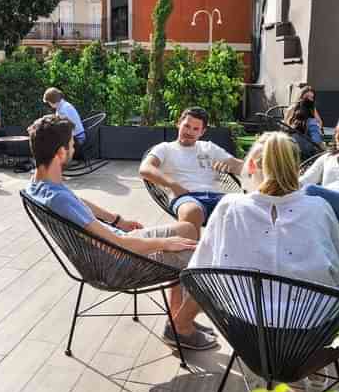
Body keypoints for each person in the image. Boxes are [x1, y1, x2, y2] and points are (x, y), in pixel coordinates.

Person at [27, 114, 218, 350]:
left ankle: (176, 318)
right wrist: (163, 244)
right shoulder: (58, 199)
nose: (75, 146)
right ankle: (181, 327)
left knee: (188, 229)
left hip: (116, 247)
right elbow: (116, 244)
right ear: (60, 153)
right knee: (206, 257)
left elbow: (78, 201)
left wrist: (117, 219)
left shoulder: (40, 184)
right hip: (116, 261)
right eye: (72, 143)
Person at [189, 131, 339, 294]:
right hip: (313, 319)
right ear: (296, 168)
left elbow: (198, 273)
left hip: (242, 318)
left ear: (252, 166)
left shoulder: (229, 206)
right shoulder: (319, 207)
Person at [139, 107, 243, 234]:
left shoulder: (209, 148)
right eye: (187, 126)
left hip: (216, 196)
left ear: (202, 132)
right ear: (178, 123)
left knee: (249, 209)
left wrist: (263, 165)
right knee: (191, 211)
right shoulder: (165, 148)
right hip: (186, 197)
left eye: (196, 129)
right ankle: (193, 252)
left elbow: (238, 166)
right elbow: (145, 168)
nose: (190, 132)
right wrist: (173, 185)